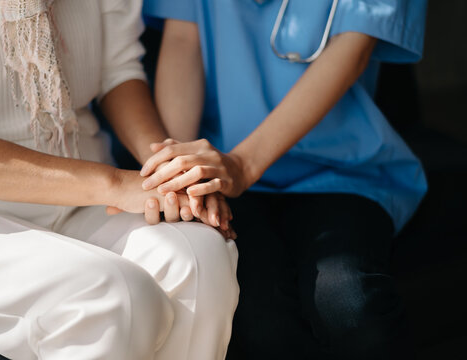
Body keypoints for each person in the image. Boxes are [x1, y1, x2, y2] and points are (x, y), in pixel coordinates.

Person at [0, 0, 239, 359]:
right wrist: (118, 186)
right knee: (110, 294)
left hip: (81, 198)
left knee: (200, 256)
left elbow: (117, 73)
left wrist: (168, 171)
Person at [141, 0, 428, 359]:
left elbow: (354, 46)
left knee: (350, 309)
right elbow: (183, 38)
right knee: (258, 321)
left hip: (338, 169)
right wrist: (183, 176)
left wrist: (242, 165)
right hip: (220, 166)